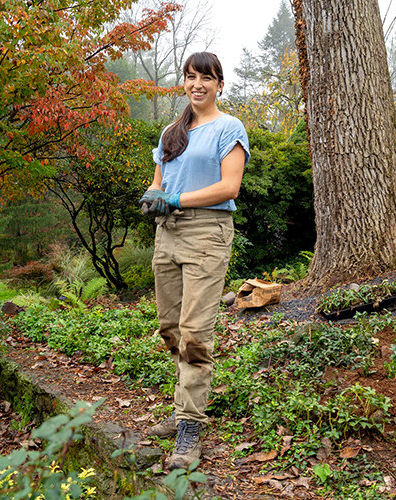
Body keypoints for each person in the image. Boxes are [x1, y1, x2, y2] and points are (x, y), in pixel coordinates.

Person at [139, 52, 249, 470]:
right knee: (170, 327)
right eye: (190, 77)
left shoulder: (229, 127)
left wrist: (176, 199)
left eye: (206, 77)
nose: (197, 83)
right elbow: (159, 182)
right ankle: (183, 404)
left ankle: (189, 427)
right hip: (167, 233)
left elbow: (229, 186)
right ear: (183, 83)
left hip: (207, 233)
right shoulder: (173, 131)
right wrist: (153, 198)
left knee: (195, 331)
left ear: (219, 84)